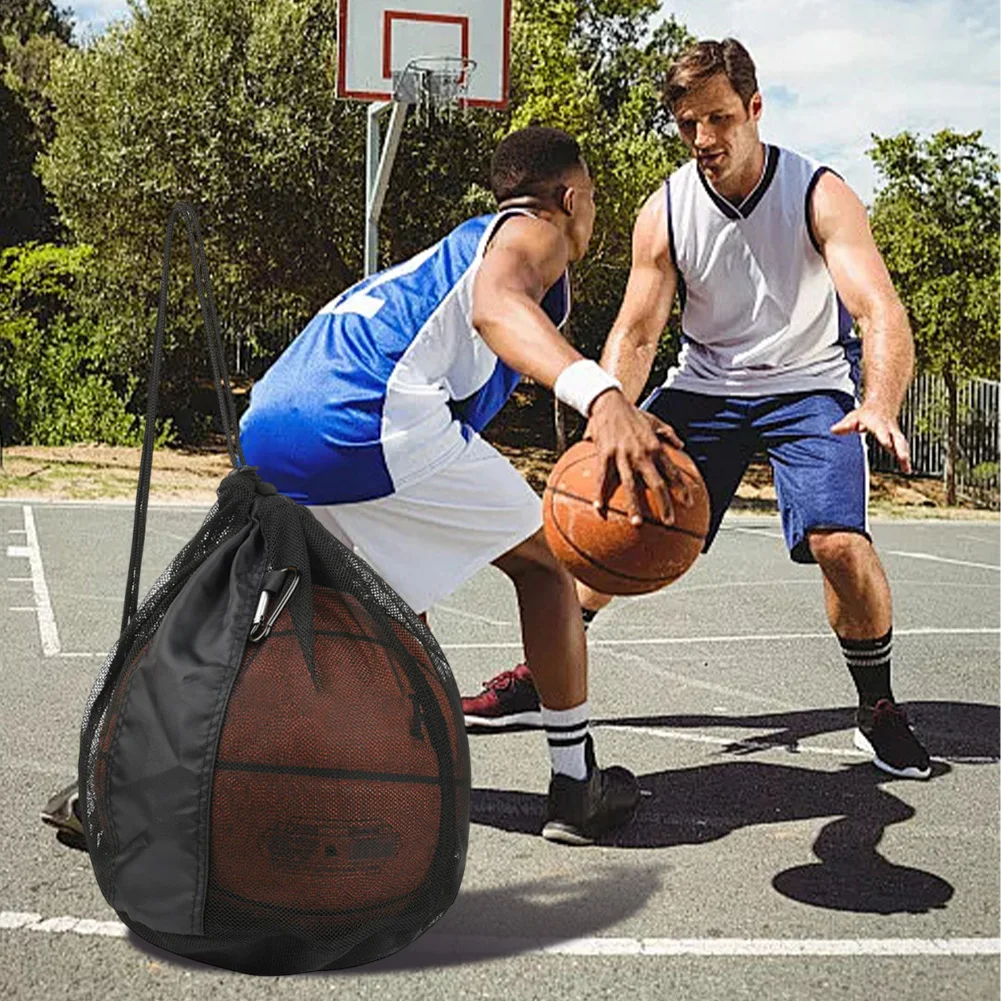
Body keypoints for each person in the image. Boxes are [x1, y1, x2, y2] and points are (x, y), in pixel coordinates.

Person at [42, 127, 683, 850]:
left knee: (328, 614)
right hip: (366, 415)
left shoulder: (433, 262)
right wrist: (602, 397)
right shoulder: (530, 234)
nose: (590, 214)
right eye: (591, 198)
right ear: (570, 197)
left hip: (274, 417)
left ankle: (117, 783)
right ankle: (576, 786)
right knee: (544, 565)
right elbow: (498, 305)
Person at [461, 42, 932, 781]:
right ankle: (538, 677)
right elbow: (638, 329)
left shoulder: (818, 192)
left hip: (808, 387)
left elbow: (877, 309)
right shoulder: (668, 207)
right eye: (688, 124)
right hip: (705, 387)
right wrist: (605, 415)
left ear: (753, 109)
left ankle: (877, 709)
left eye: (718, 118)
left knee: (839, 542)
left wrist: (878, 403)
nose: (705, 139)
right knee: (610, 514)